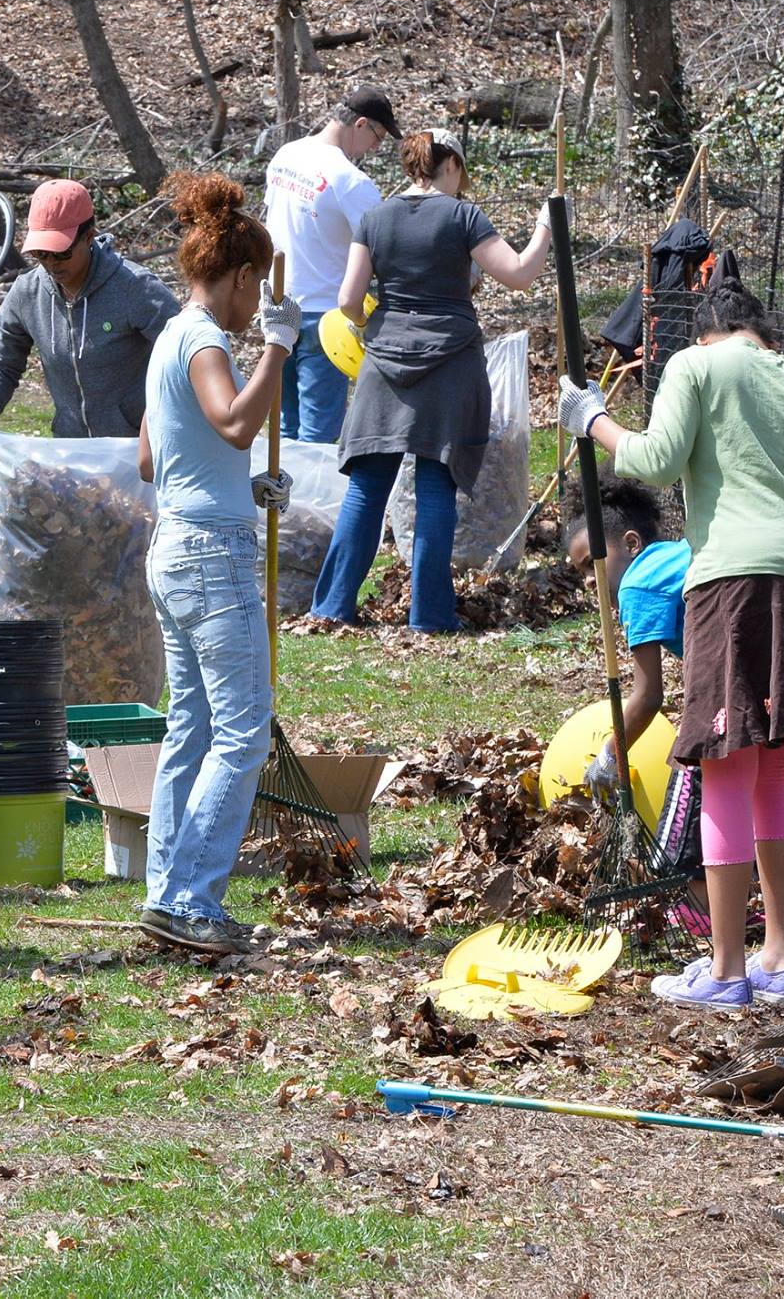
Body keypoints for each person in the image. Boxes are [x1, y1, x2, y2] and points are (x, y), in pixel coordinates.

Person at [560, 277, 784, 1010]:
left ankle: (726, 971)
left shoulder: (696, 366)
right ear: (767, 337)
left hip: (729, 581)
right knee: (773, 771)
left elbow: (657, 459)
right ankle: (780, 961)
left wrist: (592, 417)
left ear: (707, 334)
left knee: (725, 768)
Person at [564, 474, 784, 951]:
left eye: (589, 565)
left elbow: (648, 695)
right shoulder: (682, 554)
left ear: (630, 543)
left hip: (770, 627)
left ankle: (699, 905)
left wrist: (609, 755)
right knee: (770, 766)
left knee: (704, 764)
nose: (587, 583)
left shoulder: (637, 583)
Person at [133, 172, 302, 956]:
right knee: (242, 734)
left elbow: (150, 457)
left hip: (175, 543)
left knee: (192, 731)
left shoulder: (167, 338)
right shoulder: (204, 336)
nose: (253, 307)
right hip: (210, 557)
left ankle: (165, 892)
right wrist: (278, 343)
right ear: (240, 279)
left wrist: (243, 487)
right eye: (253, 293)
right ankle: (193, 900)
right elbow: (235, 422)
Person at [307, 129, 552, 632]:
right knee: (436, 486)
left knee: (366, 489)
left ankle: (331, 607)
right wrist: (547, 224)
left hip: (385, 365)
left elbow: (349, 301)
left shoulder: (375, 220)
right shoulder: (462, 216)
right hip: (450, 363)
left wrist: (376, 327)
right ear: (453, 167)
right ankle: (431, 615)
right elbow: (520, 274)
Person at [0, 179, 181, 438]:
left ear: (89, 236)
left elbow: (187, 359)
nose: (51, 264)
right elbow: (2, 364)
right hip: (71, 450)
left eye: (61, 253)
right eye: (41, 254)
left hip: (138, 450)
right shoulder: (27, 294)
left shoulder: (135, 288)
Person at [262, 84, 397, 444]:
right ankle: (308, 502)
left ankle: (280, 502)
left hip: (277, 307)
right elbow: (386, 251)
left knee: (283, 433)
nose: (376, 148)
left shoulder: (285, 155)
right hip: (325, 319)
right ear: (361, 124)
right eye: (378, 137)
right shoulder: (352, 183)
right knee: (317, 440)